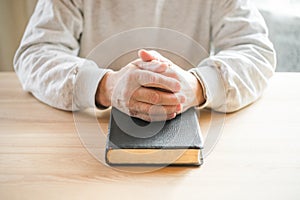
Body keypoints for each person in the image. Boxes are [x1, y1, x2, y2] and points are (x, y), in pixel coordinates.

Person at [14, 0, 276, 122]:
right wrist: (106, 86)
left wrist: (197, 87)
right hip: (89, 130)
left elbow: (255, 50)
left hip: (194, 131)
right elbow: (35, 52)